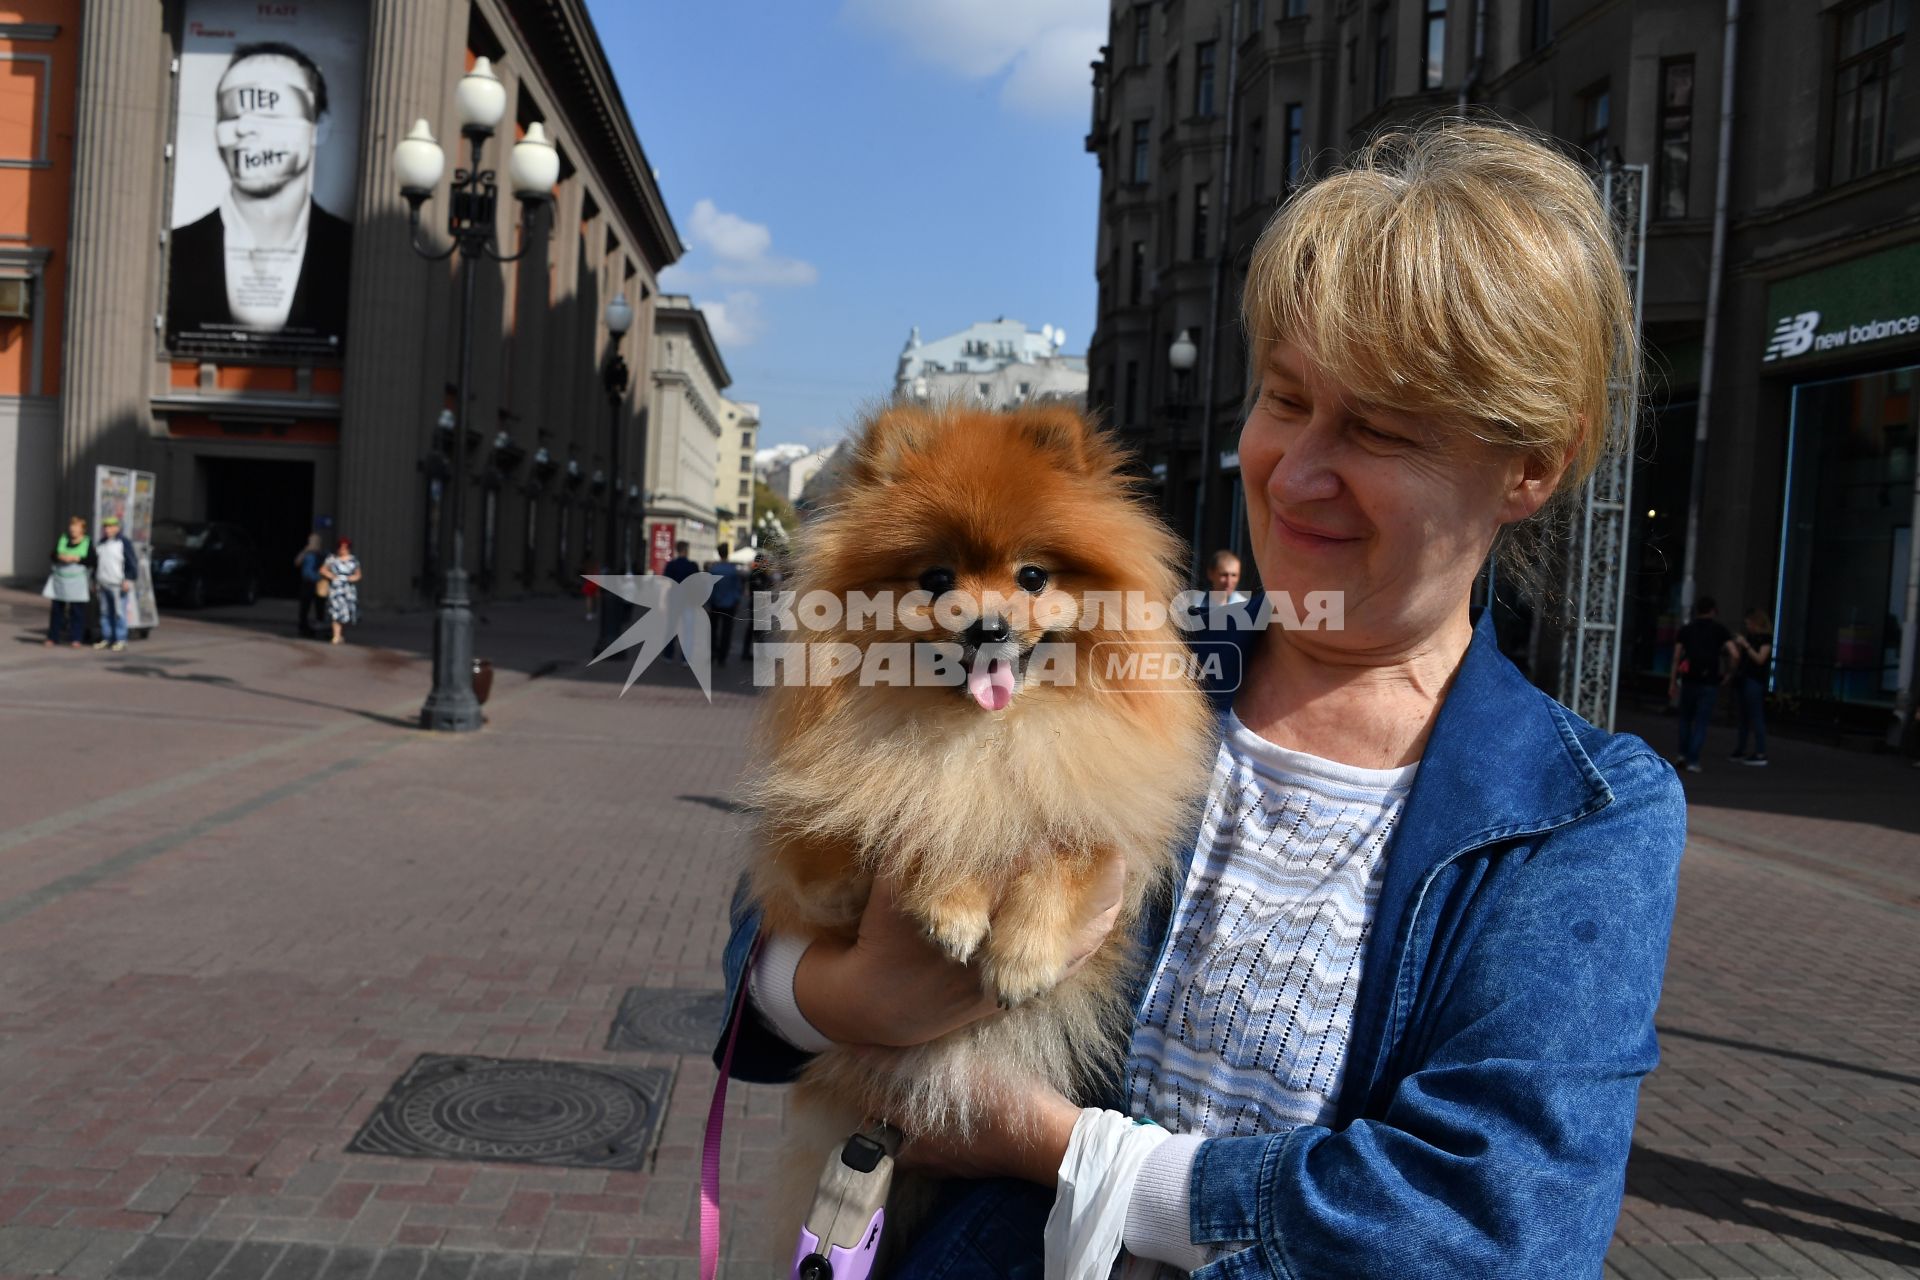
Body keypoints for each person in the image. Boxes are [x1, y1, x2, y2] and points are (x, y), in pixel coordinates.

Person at [715, 122, 1687, 1277]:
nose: (1298, 469)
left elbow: (1495, 1229)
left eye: (1378, 428)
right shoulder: (1123, 663)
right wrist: (848, 992)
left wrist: (1061, 1151)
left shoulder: (1581, 815)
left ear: (1531, 465)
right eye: (1285, 401)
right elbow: (762, 950)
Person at [166, 42, 352, 345]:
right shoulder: (174, 252)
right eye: (230, 114)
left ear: (319, 126)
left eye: (269, 112)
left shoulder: (352, 255)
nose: (244, 127)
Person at [1670, 596, 1735, 773]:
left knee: (1685, 719)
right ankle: (1693, 759)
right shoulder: (1720, 630)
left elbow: (1676, 656)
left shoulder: (1687, 630)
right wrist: (1729, 673)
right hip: (1709, 681)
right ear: (1713, 611)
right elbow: (1734, 653)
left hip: (1689, 679)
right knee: (1701, 721)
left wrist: (1672, 682)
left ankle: (1682, 754)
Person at [1729, 607, 1773, 766]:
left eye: (1749, 624)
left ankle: (1760, 752)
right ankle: (1741, 748)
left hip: (1755, 680)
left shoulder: (1765, 639)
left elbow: (1760, 659)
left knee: (1756, 716)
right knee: (1743, 717)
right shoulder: (1751, 637)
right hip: (1744, 678)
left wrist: (1746, 645)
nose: (1748, 627)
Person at [91, 515, 139, 652]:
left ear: (117, 528)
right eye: (105, 527)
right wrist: (95, 581)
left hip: (118, 584)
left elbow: (131, 562)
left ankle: (120, 639)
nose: (108, 529)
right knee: (105, 613)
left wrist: (128, 579)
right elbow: (97, 564)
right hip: (103, 583)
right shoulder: (102, 543)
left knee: (119, 613)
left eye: (111, 527)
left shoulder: (123, 542)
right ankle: (107, 637)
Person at [43, 516, 92, 649]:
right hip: (60, 581)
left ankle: (76, 638)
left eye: (76, 528)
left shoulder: (87, 542)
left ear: (82, 530)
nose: (73, 530)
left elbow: (92, 561)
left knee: (77, 612)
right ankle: (53, 637)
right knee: (57, 611)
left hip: (77, 582)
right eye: (72, 527)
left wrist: (77, 559)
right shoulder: (63, 539)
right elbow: (52, 555)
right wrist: (60, 557)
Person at [705, 543, 744, 666]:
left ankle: (712, 654)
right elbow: (737, 588)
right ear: (727, 553)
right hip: (730, 604)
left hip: (715, 603)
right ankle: (722, 658)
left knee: (713, 630)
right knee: (726, 631)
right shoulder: (733, 570)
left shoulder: (713, 569)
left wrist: (708, 602)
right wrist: (737, 601)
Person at [661, 540, 699, 663]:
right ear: (686, 550)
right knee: (688, 630)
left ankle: (668, 655)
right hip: (688, 601)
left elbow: (666, 584)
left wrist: (662, 600)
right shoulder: (693, 566)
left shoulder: (671, 565)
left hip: (674, 600)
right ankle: (685, 657)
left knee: (671, 628)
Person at [319, 537, 361, 645]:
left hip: (347, 590)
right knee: (335, 612)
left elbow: (358, 575)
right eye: (341, 548)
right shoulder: (332, 558)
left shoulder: (353, 560)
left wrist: (350, 578)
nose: (343, 550)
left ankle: (340, 634)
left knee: (345, 614)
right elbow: (322, 570)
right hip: (335, 589)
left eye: (345, 548)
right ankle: (336, 636)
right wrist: (332, 576)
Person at [741, 553, 776, 661]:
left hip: (760, 604)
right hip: (756, 604)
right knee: (756, 628)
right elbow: (758, 589)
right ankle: (752, 653)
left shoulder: (762, 574)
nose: (765, 563)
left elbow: (769, 587)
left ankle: (750, 652)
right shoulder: (756, 574)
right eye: (763, 561)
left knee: (756, 628)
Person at [294, 532, 325, 637]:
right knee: (305, 605)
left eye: (315, 541)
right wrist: (306, 551)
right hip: (307, 583)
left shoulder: (322, 554)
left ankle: (319, 627)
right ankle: (303, 627)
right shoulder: (306, 553)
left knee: (319, 605)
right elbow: (297, 562)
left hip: (319, 582)